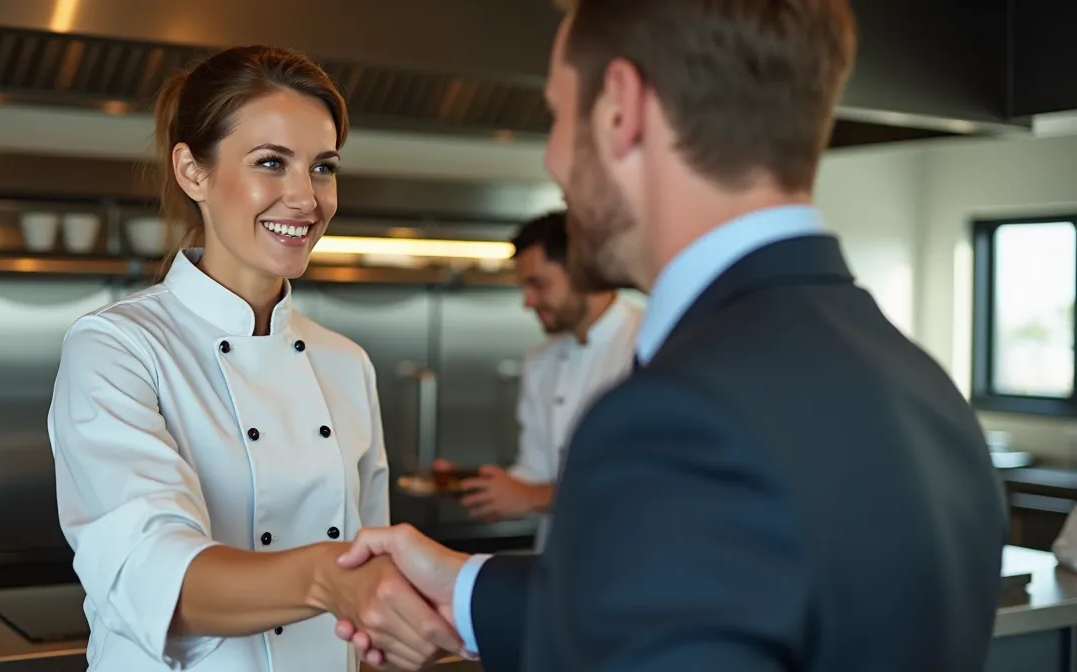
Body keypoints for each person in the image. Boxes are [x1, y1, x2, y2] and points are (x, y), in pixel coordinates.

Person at [334, 1, 1008, 670]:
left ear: (621, 109)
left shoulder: (675, 419)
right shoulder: (924, 387)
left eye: (558, 113)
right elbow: (696, 603)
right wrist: (467, 589)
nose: (553, 160)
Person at [46, 45, 460, 672]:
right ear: (193, 172)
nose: (306, 198)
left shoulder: (346, 363)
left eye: (324, 168)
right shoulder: (118, 347)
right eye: (272, 162)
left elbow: (366, 585)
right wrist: (325, 578)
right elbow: (154, 575)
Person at [434, 210, 641, 554]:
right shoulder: (539, 361)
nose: (527, 302)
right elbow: (535, 469)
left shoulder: (649, 343)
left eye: (538, 284)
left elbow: (643, 477)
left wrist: (531, 497)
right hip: (556, 559)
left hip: (629, 557)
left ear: (578, 271)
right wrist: (474, 484)